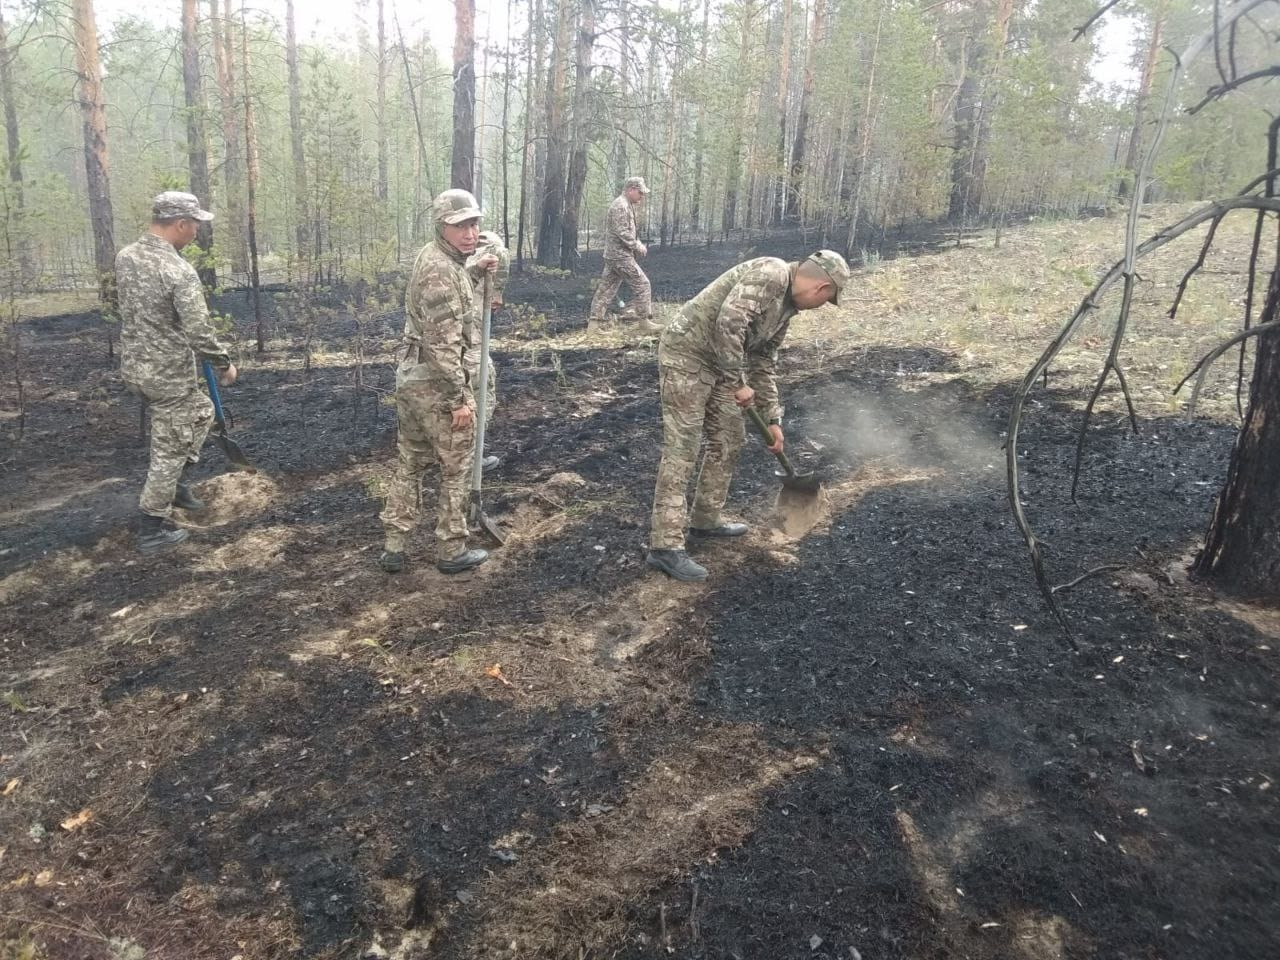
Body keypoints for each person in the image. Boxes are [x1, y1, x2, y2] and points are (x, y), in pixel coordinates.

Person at [646, 250, 851, 581]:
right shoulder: (772, 273)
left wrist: (773, 419)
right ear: (822, 288)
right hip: (687, 354)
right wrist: (736, 383)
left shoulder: (786, 309)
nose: (820, 306)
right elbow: (729, 321)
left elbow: (763, 361)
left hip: (719, 364)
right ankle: (665, 548)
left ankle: (705, 520)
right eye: (827, 300)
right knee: (683, 446)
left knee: (729, 438)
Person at [379, 189, 498, 575]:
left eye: (474, 223)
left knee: (410, 463)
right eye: (460, 225)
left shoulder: (441, 260)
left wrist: (477, 269)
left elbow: (452, 295)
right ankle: (452, 547)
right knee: (456, 467)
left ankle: (394, 545)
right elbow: (443, 345)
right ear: (441, 227)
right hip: (435, 384)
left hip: (413, 378)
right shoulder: (440, 271)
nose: (470, 232)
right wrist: (459, 399)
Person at [117, 191, 237, 554]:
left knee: (202, 412)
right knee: (169, 449)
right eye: (196, 224)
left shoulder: (126, 257)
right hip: (166, 372)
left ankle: (177, 485)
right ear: (180, 224)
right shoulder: (178, 271)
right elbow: (199, 329)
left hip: (136, 367)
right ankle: (152, 528)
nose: (197, 231)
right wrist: (222, 362)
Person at [588, 176, 661, 335]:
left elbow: (627, 230)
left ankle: (593, 327)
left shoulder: (624, 204)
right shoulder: (620, 206)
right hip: (620, 256)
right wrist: (637, 245)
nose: (642, 196)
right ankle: (644, 322)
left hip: (614, 255)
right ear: (631, 190)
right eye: (640, 193)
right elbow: (622, 232)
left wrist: (637, 241)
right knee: (642, 283)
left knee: (606, 289)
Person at [466, 230, 510, 471]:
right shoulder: (491, 250)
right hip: (468, 338)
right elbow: (499, 252)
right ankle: (470, 458)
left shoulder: (448, 260)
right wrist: (496, 291)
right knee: (484, 389)